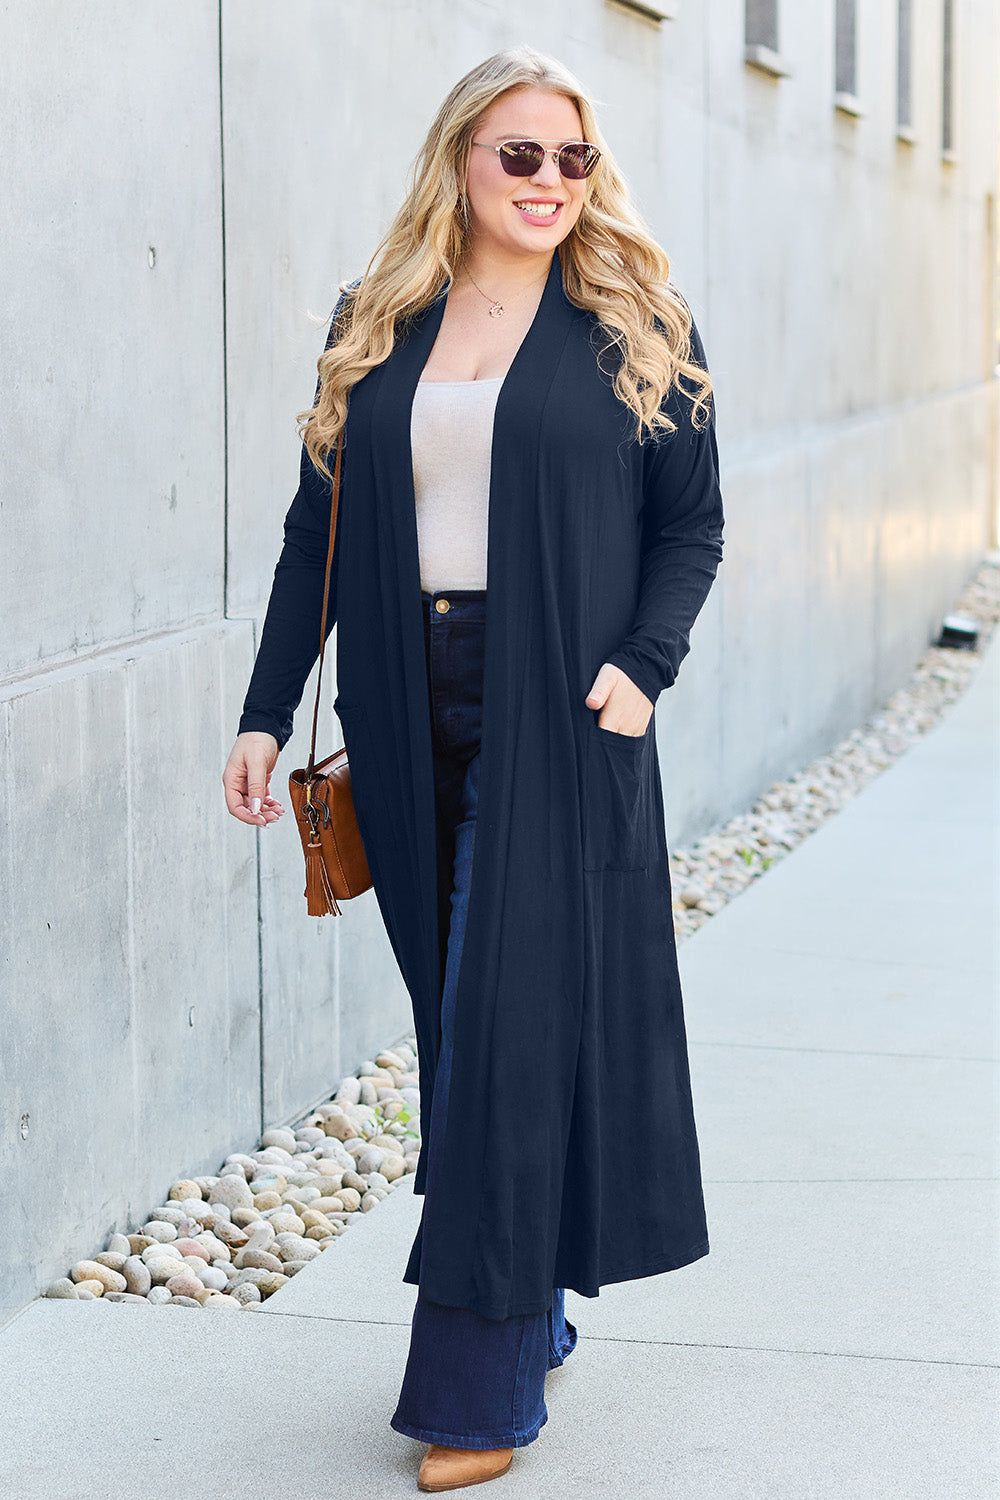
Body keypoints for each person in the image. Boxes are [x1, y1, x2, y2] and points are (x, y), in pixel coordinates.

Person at [223, 44, 724, 1493]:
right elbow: (311, 539)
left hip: (565, 706)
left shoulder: (639, 323)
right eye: (521, 156)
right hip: (401, 693)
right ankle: (537, 1281)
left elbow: (691, 527)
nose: (552, 183)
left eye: (574, 158)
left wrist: (644, 667)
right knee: (468, 1031)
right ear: (460, 160)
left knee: (508, 1024)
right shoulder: (378, 322)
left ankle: (479, 1387)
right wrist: (265, 711)